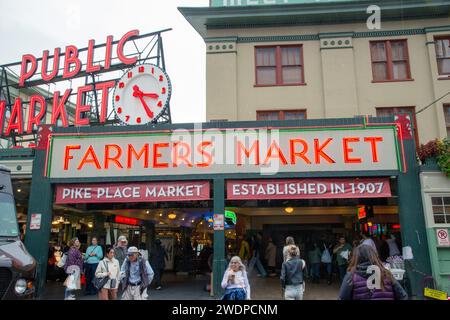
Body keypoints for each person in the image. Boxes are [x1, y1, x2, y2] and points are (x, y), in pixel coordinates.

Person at [338, 244, 408, 300]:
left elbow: (343, 297)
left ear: (356, 258)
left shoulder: (351, 276)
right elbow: (403, 296)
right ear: (374, 256)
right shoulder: (387, 274)